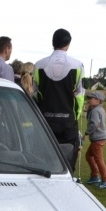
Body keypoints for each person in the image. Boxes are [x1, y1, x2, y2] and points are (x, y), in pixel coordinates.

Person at [34, 28, 85, 171]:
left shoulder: (39, 65)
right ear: (68, 44)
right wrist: (75, 115)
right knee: (67, 165)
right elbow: (80, 96)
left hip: (44, 120)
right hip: (68, 121)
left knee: (43, 162)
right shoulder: (78, 65)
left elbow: (35, 94)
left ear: (52, 43)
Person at [83, 91, 106, 189]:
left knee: (99, 160)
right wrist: (88, 109)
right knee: (89, 156)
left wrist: (86, 133)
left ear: (97, 100)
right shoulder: (98, 109)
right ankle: (95, 176)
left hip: (97, 139)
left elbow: (94, 124)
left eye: (91, 98)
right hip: (100, 138)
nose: (88, 100)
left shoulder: (95, 110)